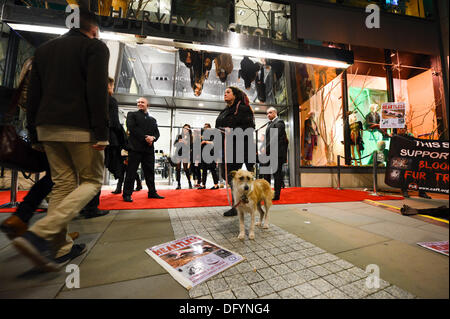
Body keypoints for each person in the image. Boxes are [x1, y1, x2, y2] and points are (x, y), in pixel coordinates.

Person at [13, 8, 110, 272]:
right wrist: (102, 132)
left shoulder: (45, 50)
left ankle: (59, 248)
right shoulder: (95, 48)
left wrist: (34, 132)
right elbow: (97, 90)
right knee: (90, 181)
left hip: (47, 127)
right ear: (93, 29)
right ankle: (39, 233)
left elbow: (34, 94)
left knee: (63, 183)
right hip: (80, 128)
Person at [215, 86, 256, 216]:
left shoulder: (243, 109)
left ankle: (237, 205)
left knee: (234, 176)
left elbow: (250, 128)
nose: (225, 94)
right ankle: (238, 202)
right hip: (225, 147)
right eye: (224, 92)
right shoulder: (226, 110)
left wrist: (232, 131)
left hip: (239, 147)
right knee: (226, 176)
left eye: (228, 92)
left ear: (235, 95)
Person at [122, 97, 164, 202]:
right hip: (135, 149)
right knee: (131, 172)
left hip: (149, 150)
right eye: (138, 102)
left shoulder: (153, 120)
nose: (140, 103)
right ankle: (127, 194)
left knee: (150, 172)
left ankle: (152, 192)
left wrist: (153, 138)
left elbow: (157, 133)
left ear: (147, 105)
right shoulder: (131, 114)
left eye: (142, 102)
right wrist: (146, 138)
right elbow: (132, 128)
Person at [397, 128, 431, 199]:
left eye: (403, 129)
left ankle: (422, 192)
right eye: (401, 129)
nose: (402, 130)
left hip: (412, 158)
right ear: (398, 129)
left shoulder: (410, 136)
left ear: (406, 129)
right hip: (403, 160)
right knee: (404, 175)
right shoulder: (396, 137)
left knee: (419, 175)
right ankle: (404, 191)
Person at [262, 107, 288, 200]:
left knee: (277, 174)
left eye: (270, 113)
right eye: (267, 113)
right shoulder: (270, 124)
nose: (268, 115)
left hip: (277, 154)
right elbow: (268, 139)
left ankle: (276, 195)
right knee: (266, 173)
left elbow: (275, 137)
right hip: (269, 153)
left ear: (275, 113)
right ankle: (267, 193)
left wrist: (266, 148)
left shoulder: (279, 122)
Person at [198, 123, 219, 189]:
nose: (205, 128)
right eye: (204, 127)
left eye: (206, 127)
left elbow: (214, 143)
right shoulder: (202, 135)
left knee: (213, 170)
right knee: (204, 170)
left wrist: (206, 141)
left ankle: (216, 185)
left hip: (211, 154)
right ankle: (203, 185)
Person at [174, 124, 193, 190]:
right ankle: (178, 184)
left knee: (185, 169)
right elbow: (174, 144)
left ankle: (189, 182)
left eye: (187, 129)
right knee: (178, 169)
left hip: (185, 154)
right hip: (178, 153)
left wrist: (185, 143)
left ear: (189, 130)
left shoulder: (190, 137)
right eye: (184, 128)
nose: (185, 130)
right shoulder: (179, 136)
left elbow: (191, 147)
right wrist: (178, 141)